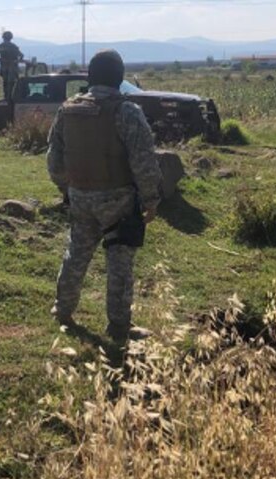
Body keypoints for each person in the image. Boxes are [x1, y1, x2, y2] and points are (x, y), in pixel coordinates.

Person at [46, 50, 163, 344]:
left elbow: (54, 158)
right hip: (118, 201)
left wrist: (65, 188)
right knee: (119, 263)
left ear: (90, 77)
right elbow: (144, 161)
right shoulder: (126, 112)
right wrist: (151, 199)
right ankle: (119, 326)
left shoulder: (67, 109)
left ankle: (63, 310)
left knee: (76, 254)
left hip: (80, 196)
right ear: (120, 78)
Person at [0, 31, 24, 100]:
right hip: (13, 69)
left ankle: (6, 98)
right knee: (13, 84)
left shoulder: (0, 46)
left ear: (3, 37)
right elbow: (21, 55)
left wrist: (2, 60)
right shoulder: (13, 46)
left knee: (5, 84)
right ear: (11, 38)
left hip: (4, 69)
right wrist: (16, 61)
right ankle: (12, 98)